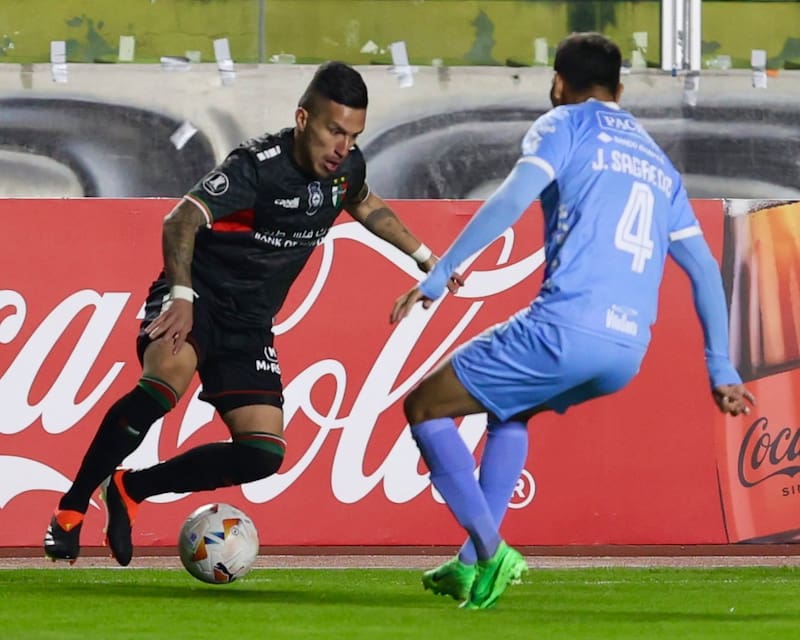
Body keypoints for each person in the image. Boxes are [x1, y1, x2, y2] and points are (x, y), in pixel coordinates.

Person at [390, 32, 756, 610]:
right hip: (627, 351)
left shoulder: (563, 126)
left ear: (558, 83)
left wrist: (442, 274)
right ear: (621, 88)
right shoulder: (657, 163)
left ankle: (490, 552)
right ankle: (467, 568)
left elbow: (511, 200)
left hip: (564, 329)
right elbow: (706, 270)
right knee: (510, 409)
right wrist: (720, 366)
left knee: (424, 408)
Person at [44, 60, 462, 566]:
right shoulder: (257, 165)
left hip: (249, 323)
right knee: (163, 385)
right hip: (197, 298)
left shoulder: (346, 168)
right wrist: (180, 293)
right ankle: (71, 509)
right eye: (334, 131)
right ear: (303, 118)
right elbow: (181, 219)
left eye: (353, 135)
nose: (343, 147)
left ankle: (132, 489)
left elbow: (367, 204)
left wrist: (426, 258)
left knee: (262, 453)